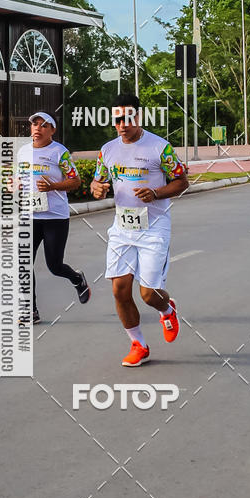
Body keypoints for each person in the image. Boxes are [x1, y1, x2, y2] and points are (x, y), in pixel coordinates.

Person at [90, 92, 189, 367]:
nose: (122, 124)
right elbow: (97, 181)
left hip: (154, 228)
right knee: (120, 290)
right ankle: (138, 344)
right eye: (117, 119)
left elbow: (182, 182)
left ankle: (167, 309)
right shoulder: (107, 150)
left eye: (128, 118)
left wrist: (156, 193)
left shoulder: (159, 148)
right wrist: (95, 188)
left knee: (148, 294)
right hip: (122, 228)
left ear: (138, 116)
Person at [20, 112, 91, 325]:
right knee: (22, 264)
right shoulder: (22, 151)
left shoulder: (59, 152)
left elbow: (76, 181)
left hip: (55, 217)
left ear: (52, 130)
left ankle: (77, 279)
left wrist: (52, 186)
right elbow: (20, 177)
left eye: (43, 125)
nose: (37, 129)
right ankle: (30, 310)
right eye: (34, 124)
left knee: (54, 265)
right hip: (29, 216)